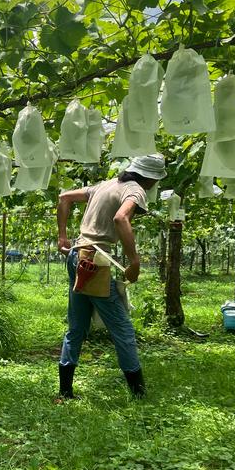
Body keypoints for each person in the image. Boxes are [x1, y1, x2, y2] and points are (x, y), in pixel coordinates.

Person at [55, 154, 167, 402]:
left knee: (77, 326)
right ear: (151, 178)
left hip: (77, 255)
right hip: (94, 261)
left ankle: (65, 392)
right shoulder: (135, 190)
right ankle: (138, 395)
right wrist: (134, 262)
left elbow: (64, 197)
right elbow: (120, 218)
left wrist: (62, 236)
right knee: (122, 329)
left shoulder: (106, 185)